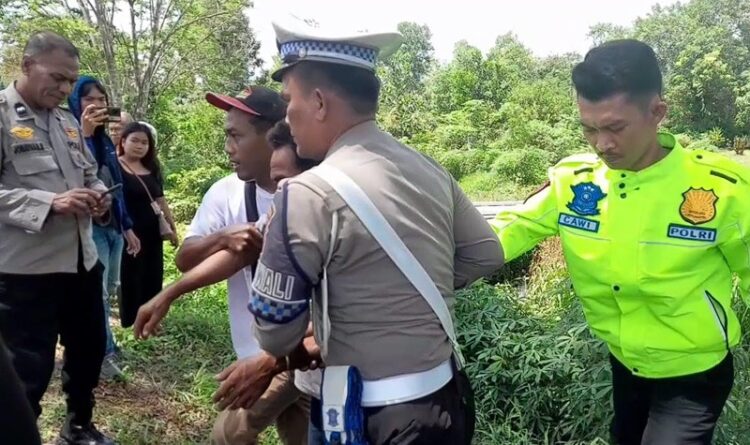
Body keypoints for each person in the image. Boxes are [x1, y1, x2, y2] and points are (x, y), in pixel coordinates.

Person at [250, 18, 504, 444]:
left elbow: (276, 333)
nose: (287, 116)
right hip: (442, 401)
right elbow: (486, 254)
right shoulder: (428, 169)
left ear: (318, 102)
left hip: (365, 417)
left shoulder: (305, 193)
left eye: (288, 99)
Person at [490, 39, 750, 445]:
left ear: (657, 112)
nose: (601, 144)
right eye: (589, 129)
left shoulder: (722, 189)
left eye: (614, 127)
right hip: (624, 363)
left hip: (694, 372)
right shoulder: (575, 183)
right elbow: (507, 231)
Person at [133, 89, 313, 445]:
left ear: (274, 134)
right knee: (300, 434)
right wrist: (174, 289)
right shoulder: (229, 193)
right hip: (264, 349)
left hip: (303, 346)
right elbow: (226, 254)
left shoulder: (306, 192)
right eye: (226, 135)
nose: (228, 146)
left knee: (228, 435)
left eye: (236, 135)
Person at [0, 31, 116, 445]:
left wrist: (99, 197)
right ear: (28, 65)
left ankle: (79, 425)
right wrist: (50, 202)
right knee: (26, 368)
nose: (65, 88)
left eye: (71, 81)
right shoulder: (2, 116)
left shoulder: (66, 120)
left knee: (88, 351)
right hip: (26, 272)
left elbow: (88, 174)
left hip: (81, 261)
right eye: (57, 78)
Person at [68, 76, 141, 380]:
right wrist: (83, 133)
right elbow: (74, 173)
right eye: (89, 100)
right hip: (86, 227)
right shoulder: (68, 133)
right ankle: (104, 353)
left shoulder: (105, 143)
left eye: (101, 99)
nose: (97, 105)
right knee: (96, 293)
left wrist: (127, 227)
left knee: (109, 290)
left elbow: (116, 187)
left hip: (111, 226)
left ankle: (104, 343)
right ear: (76, 103)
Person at [117, 122, 177, 328]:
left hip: (152, 231)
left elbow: (161, 200)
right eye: (134, 140)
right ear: (123, 141)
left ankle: (152, 319)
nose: (140, 146)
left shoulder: (151, 168)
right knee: (130, 275)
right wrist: (125, 229)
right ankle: (131, 321)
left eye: (145, 142)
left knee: (153, 274)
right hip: (128, 231)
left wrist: (172, 227)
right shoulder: (115, 166)